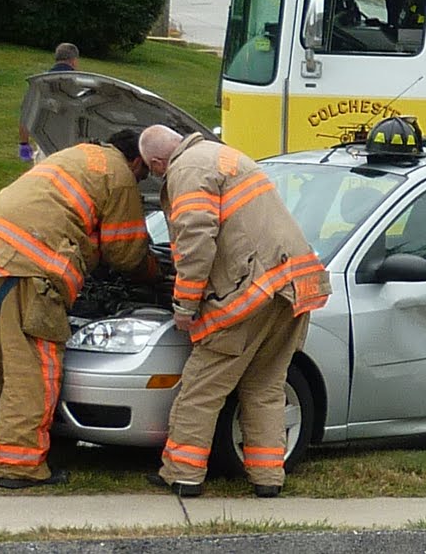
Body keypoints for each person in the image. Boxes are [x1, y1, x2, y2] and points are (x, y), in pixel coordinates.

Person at [0, 129, 157, 488]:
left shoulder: (74, 157)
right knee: (31, 367)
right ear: (135, 159)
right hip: (29, 267)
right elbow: (125, 252)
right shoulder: (119, 175)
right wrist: (156, 273)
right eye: (144, 174)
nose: (140, 181)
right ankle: (19, 465)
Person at [137, 125, 331, 499]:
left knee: (201, 388)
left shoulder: (188, 170)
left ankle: (183, 474)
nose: (154, 175)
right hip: (294, 285)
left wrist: (186, 305)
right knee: (266, 387)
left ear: (159, 161)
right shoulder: (223, 155)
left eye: (151, 170)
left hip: (250, 292)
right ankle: (268, 477)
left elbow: (195, 241)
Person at [17, 43, 80, 163]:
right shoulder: (79, 83)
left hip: (45, 145)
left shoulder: (39, 83)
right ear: (74, 61)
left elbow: (26, 115)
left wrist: (24, 144)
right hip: (72, 146)